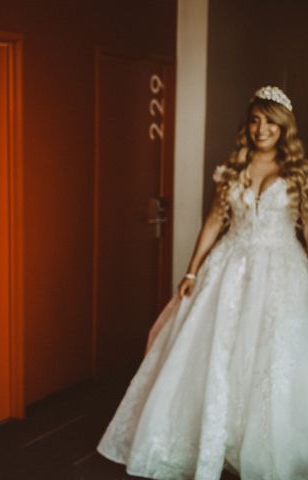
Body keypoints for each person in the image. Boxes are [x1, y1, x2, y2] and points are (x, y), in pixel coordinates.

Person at [97, 86, 308, 479]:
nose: (262, 129)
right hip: (229, 268)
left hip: (281, 273)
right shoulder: (231, 169)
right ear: (247, 125)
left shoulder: (298, 173)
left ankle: (266, 450)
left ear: (284, 129)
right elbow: (214, 221)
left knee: (270, 359)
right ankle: (216, 440)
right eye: (255, 121)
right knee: (218, 355)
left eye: (271, 123)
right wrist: (192, 270)